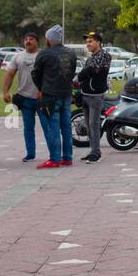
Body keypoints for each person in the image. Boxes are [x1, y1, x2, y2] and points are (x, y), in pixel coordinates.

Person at [31, 25, 77, 169]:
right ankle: (67, 157)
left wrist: (40, 88)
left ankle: (55, 159)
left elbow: (35, 73)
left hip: (50, 95)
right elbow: (72, 72)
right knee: (66, 127)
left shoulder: (44, 54)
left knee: (53, 127)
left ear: (49, 39)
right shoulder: (71, 53)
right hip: (66, 94)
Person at [3, 33, 43, 162]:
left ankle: (54, 155)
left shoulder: (43, 56)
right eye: (26, 39)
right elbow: (10, 74)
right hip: (25, 97)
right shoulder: (18, 57)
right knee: (28, 127)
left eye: (31, 39)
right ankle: (30, 154)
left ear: (37, 41)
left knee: (47, 126)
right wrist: (5, 91)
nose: (28, 41)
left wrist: (44, 90)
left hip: (41, 98)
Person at [78, 32, 112, 164]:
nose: (88, 44)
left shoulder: (104, 55)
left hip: (95, 96)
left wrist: (78, 76)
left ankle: (96, 153)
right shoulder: (91, 57)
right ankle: (93, 151)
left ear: (98, 42)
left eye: (90, 41)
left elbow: (92, 70)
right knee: (88, 125)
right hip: (86, 95)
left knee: (94, 124)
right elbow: (86, 74)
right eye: (87, 42)